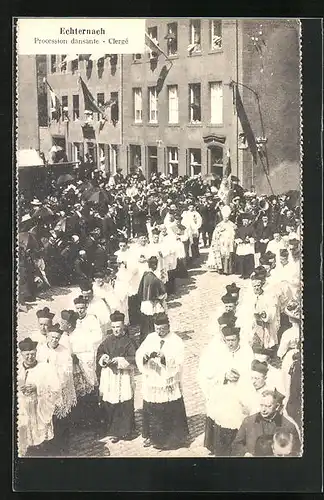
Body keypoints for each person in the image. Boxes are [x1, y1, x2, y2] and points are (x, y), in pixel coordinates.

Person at [135, 313, 189, 450]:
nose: (160, 332)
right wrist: (145, 357)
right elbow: (139, 354)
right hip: (153, 379)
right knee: (152, 408)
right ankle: (153, 437)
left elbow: (180, 361)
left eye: (163, 329)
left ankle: (173, 439)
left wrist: (165, 358)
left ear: (168, 327)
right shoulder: (150, 338)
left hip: (168, 379)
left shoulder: (176, 340)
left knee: (171, 408)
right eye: (157, 329)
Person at [198, 325, 253, 456]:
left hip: (240, 391)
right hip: (224, 392)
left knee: (238, 419)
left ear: (238, 339)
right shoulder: (220, 354)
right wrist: (224, 375)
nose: (230, 343)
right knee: (223, 419)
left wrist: (240, 376)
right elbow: (211, 372)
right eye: (228, 340)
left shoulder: (247, 352)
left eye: (233, 340)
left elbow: (250, 372)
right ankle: (222, 450)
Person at [96, 311, 137, 443]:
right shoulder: (107, 340)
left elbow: (134, 359)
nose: (116, 330)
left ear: (123, 327)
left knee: (124, 402)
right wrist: (104, 358)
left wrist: (120, 361)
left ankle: (125, 431)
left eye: (118, 327)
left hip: (123, 376)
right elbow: (100, 352)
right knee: (110, 402)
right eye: (113, 327)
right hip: (109, 376)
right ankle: (113, 430)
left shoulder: (129, 342)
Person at [36, 325, 76, 453]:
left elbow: (68, 370)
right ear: (47, 337)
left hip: (61, 387)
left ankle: (62, 445)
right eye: (52, 337)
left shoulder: (64, 351)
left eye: (57, 338)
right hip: (45, 390)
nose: (54, 340)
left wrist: (56, 379)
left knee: (61, 418)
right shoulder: (41, 350)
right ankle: (47, 444)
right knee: (46, 417)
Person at [17, 337, 60, 456]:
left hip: (39, 407)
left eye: (32, 354)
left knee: (39, 438)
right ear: (21, 354)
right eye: (27, 355)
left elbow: (55, 388)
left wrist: (37, 388)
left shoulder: (45, 368)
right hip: (22, 409)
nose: (30, 357)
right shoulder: (17, 369)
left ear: (36, 353)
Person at [231, 390, 301, 456]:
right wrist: (245, 453)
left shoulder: (288, 426)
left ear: (277, 407)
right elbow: (236, 444)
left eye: (268, 406)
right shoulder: (248, 421)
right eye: (262, 405)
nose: (263, 410)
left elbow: (296, 452)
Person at [137, 256, 167, 343]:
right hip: (152, 304)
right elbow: (161, 294)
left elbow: (140, 291)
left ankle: (144, 339)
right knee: (152, 323)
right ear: (155, 266)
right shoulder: (154, 278)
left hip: (144, 303)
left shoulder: (145, 275)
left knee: (145, 323)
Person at [207, 205, 236, 275]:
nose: (226, 218)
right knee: (221, 255)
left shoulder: (232, 225)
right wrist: (220, 233)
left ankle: (228, 270)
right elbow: (215, 235)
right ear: (222, 217)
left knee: (229, 256)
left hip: (229, 243)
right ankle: (221, 269)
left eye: (227, 217)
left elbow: (234, 233)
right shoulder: (219, 225)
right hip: (221, 243)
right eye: (224, 217)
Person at [234, 213, 256, 279]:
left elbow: (254, 237)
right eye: (244, 221)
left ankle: (250, 273)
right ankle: (243, 274)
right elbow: (236, 237)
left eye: (246, 221)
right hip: (242, 246)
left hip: (249, 246)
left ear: (248, 221)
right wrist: (239, 240)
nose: (245, 223)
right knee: (242, 260)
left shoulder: (251, 228)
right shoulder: (240, 229)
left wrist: (249, 239)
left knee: (249, 260)